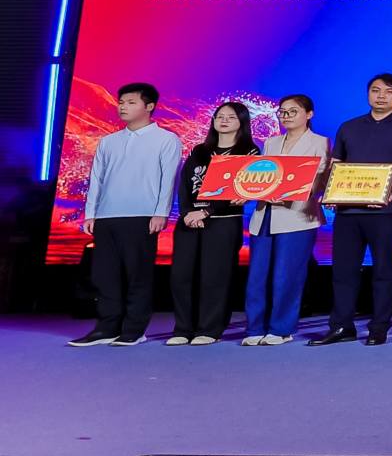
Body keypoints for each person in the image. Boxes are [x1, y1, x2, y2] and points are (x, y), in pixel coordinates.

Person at [314, 73, 392, 347]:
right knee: (343, 270)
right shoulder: (349, 127)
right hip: (348, 211)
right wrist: (332, 192)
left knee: (384, 270)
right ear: (368, 94)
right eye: (375, 90)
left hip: (386, 211)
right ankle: (341, 326)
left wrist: (391, 190)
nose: (381, 96)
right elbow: (337, 165)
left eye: (388, 91)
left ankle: (379, 328)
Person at [75, 81, 181, 347]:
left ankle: (134, 329)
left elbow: (169, 180)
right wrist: (91, 214)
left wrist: (161, 213)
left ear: (149, 106)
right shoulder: (109, 141)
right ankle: (106, 327)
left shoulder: (166, 139)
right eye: (121, 102)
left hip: (142, 216)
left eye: (131, 102)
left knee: (138, 276)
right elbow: (97, 179)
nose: (123, 107)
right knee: (104, 276)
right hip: (106, 216)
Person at [167, 100, 257, 345]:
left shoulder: (249, 152)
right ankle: (183, 328)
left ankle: (209, 329)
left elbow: (238, 189)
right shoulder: (199, 150)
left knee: (215, 277)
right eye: (220, 116)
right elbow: (185, 184)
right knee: (181, 276)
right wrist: (187, 212)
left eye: (231, 117)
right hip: (189, 221)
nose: (224, 120)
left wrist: (206, 212)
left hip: (222, 222)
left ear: (242, 122)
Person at [243, 94, 327, 345]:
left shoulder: (320, 142)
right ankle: (254, 328)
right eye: (283, 112)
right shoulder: (271, 142)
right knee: (257, 275)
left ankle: (281, 328)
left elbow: (321, 179)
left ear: (309, 114)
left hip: (297, 215)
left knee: (287, 274)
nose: (286, 116)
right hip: (265, 213)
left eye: (293, 111)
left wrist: (293, 192)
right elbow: (263, 176)